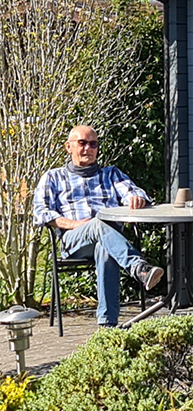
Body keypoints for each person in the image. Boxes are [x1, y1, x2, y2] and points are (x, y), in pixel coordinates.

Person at [32, 124, 163, 328]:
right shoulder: (53, 177)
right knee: (98, 224)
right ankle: (138, 267)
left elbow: (133, 192)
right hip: (74, 239)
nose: (88, 149)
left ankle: (107, 325)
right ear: (69, 147)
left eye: (93, 144)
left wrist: (136, 198)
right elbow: (41, 212)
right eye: (82, 143)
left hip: (109, 239)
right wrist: (75, 224)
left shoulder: (111, 174)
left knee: (105, 248)